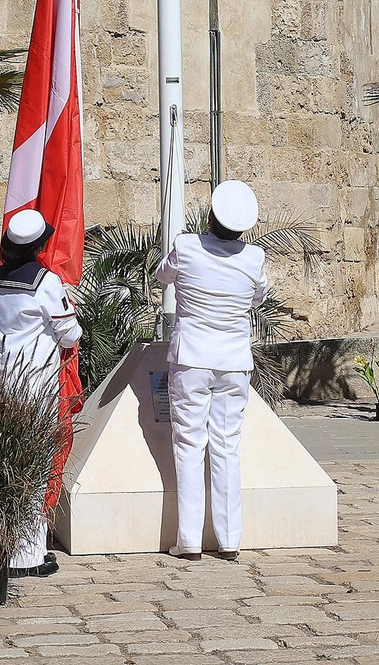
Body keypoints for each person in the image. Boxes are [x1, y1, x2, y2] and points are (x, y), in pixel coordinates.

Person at [155, 180, 269, 561]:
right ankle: (229, 539)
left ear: (210, 217)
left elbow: (163, 276)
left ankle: (188, 539)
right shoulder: (255, 258)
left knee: (189, 445)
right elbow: (257, 297)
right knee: (226, 447)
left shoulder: (186, 247)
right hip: (234, 362)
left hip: (192, 358)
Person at [0, 209, 80, 579]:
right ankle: (26, 556)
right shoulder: (46, 283)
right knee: (35, 465)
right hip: (36, 383)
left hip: (0, 381)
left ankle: (21, 548)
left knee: (7, 464)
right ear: (40, 246)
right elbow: (69, 333)